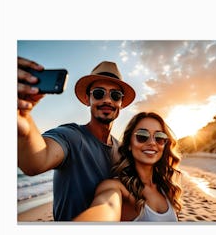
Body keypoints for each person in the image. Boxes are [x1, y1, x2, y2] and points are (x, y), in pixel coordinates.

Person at [18, 57, 136, 221]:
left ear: (121, 103)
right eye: (99, 93)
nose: (107, 100)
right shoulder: (70, 136)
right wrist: (23, 119)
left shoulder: (122, 150)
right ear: (88, 99)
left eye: (115, 95)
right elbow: (37, 160)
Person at [73, 112, 183, 222]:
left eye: (159, 137)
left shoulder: (167, 188)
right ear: (129, 144)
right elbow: (107, 206)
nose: (152, 142)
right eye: (142, 136)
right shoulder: (116, 187)